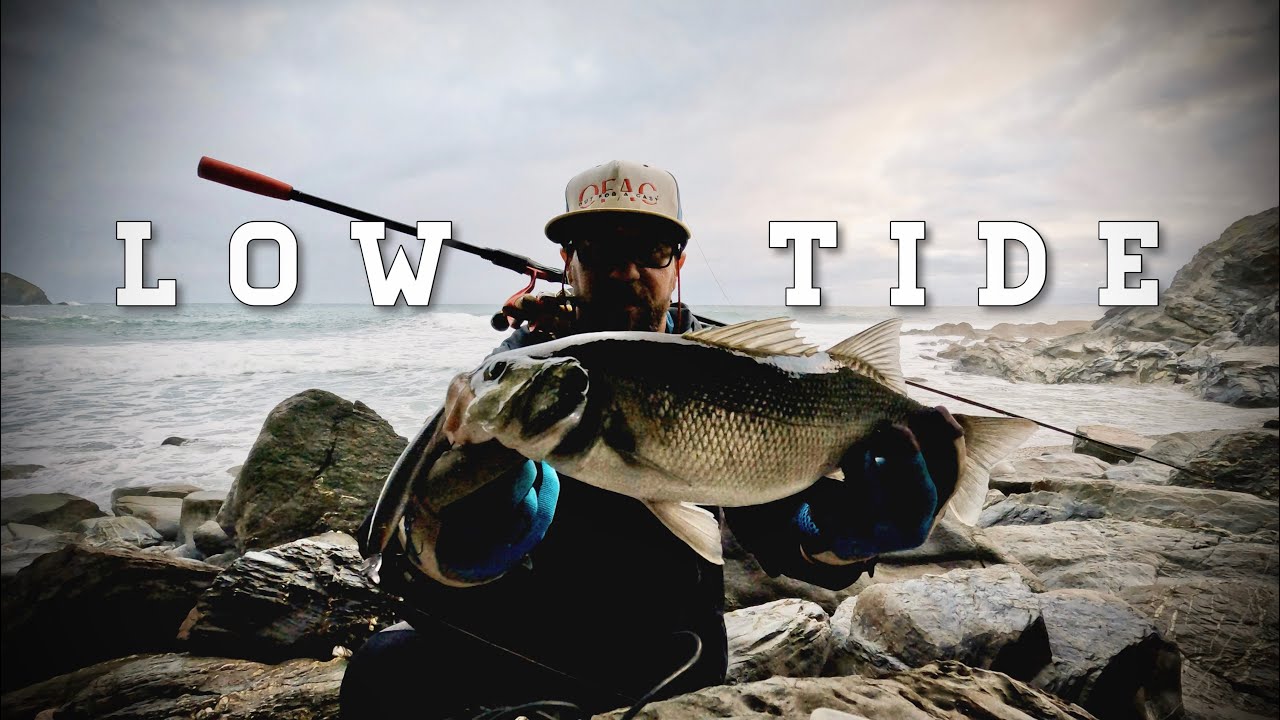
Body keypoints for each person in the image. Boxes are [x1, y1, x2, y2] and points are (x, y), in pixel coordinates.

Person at [340, 160, 963, 719]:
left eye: (651, 248)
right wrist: (453, 548)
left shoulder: (740, 372)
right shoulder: (520, 374)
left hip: (668, 652)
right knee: (380, 671)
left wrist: (836, 540)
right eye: (598, 248)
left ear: (678, 264)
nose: (625, 268)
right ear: (569, 262)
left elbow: (786, 534)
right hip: (516, 639)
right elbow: (401, 555)